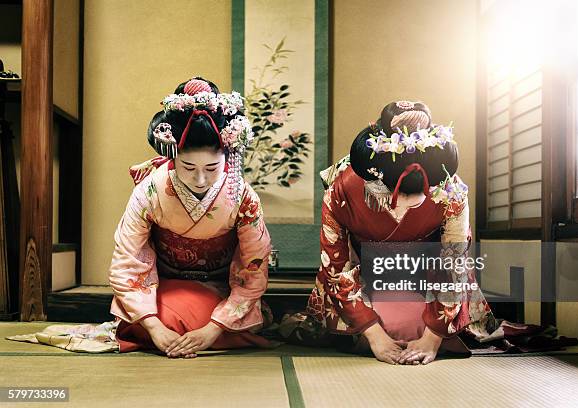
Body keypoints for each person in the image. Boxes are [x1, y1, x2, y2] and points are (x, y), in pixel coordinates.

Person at [290, 100, 495, 365]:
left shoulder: (449, 190)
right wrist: (374, 335)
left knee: (418, 326)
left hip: (429, 275)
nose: (406, 204)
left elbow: (454, 265)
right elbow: (336, 268)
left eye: (418, 194)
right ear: (376, 171)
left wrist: (432, 338)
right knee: (383, 326)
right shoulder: (342, 189)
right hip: (363, 276)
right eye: (397, 193)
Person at [109, 77, 273, 357]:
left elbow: (253, 267)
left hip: (220, 290)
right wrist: (155, 328)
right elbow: (128, 260)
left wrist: (213, 329)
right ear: (172, 156)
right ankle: (164, 330)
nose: (200, 179)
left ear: (228, 155)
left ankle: (211, 331)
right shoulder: (150, 190)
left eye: (212, 168)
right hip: (163, 286)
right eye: (188, 167)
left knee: (220, 317)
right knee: (155, 318)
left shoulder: (242, 195)